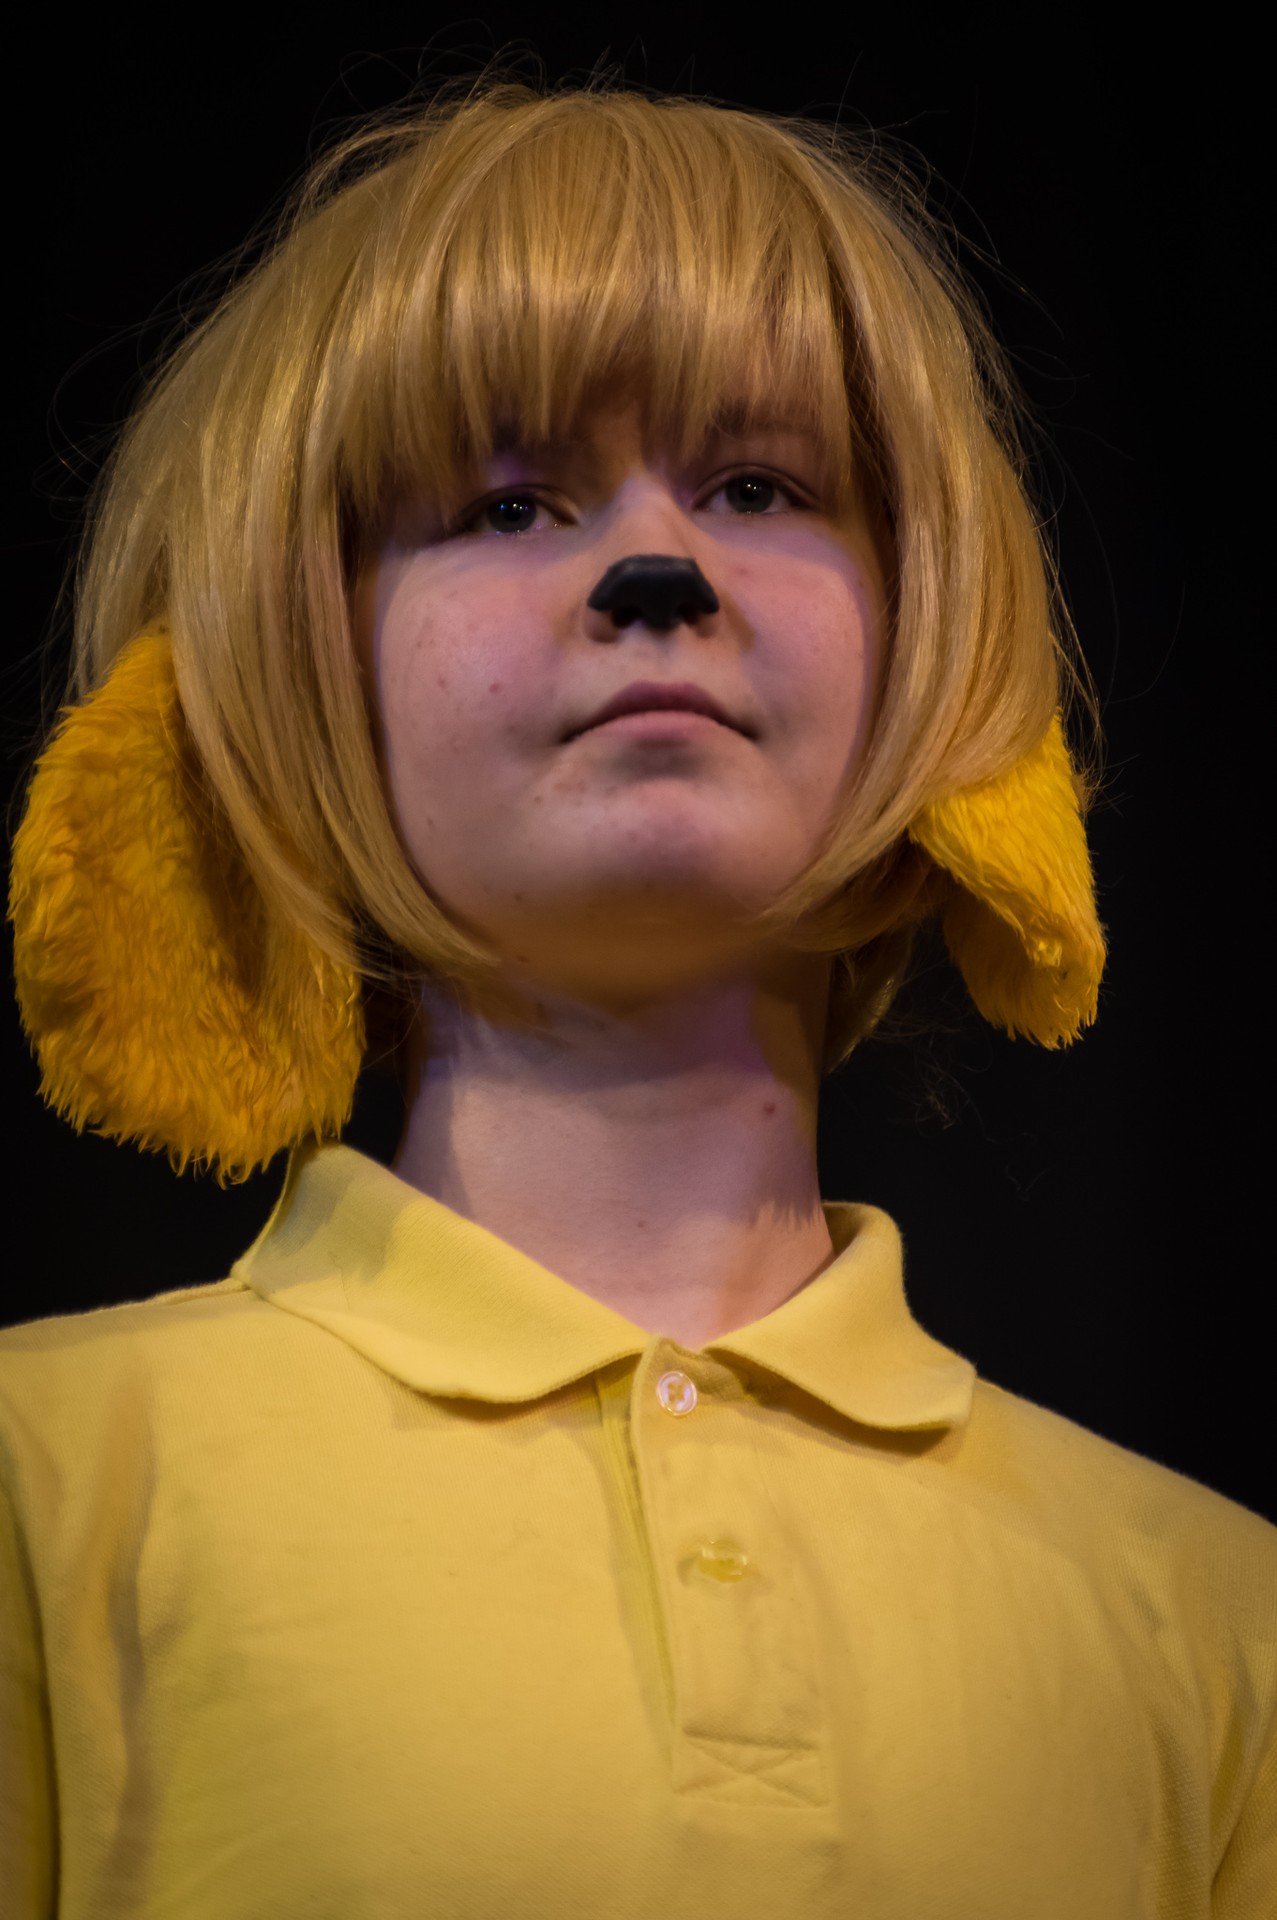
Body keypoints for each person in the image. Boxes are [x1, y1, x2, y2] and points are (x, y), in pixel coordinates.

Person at [1, 78, 1272, 1919]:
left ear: (934, 635)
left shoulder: (1211, 1618)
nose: (654, 569)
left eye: (761, 487)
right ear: (291, 656)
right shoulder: (45, 1487)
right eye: (509, 500)